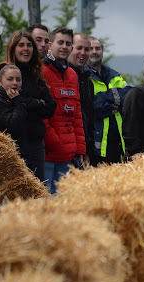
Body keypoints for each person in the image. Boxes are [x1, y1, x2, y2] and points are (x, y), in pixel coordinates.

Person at [4, 30, 56, 182]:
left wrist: (25, 103)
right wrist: (38, 103)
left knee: (37, 192)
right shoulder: (7, 73)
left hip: (36, 143)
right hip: (15, 144)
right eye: (21, 45)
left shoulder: (36, 75)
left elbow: (51, 107)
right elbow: (9, 102)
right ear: (13, 48)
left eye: (29, 45)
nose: (25, 49)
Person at [42, 27, 86, 193]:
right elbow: (42, 115)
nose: (64, 47)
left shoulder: (72, 75)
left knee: (64, 201)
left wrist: (80, 148)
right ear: (51, 45)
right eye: (60, 42)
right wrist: (55, 143)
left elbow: (77, 115)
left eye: (68, 43)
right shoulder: (41, 71)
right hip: (49, 153)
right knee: (45, 201)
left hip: (69, 155)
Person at [87, 36, 130, 164]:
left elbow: (128, 97)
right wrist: (116, 104)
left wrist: (105, 98)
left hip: (118, 147)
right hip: (96, 150)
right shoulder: (84, 77)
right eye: (90, 48)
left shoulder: (115, 76)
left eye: (98, 48)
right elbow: (93, 107)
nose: (95, 51)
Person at [0, 63, 29, 155]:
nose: (15, 82)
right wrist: (18, 102)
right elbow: (13, 125)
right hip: (3, 155)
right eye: (10, 79)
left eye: (18, 79)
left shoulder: (13, 98)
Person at [68, 33, 95, 166]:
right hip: (68, 150)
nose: (83, 53)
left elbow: (89, 118)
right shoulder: (64, 76)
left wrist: (87, 150)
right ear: (70, 48)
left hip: (84, 151)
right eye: (79, 48)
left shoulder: (87, 81)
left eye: (87, 49)